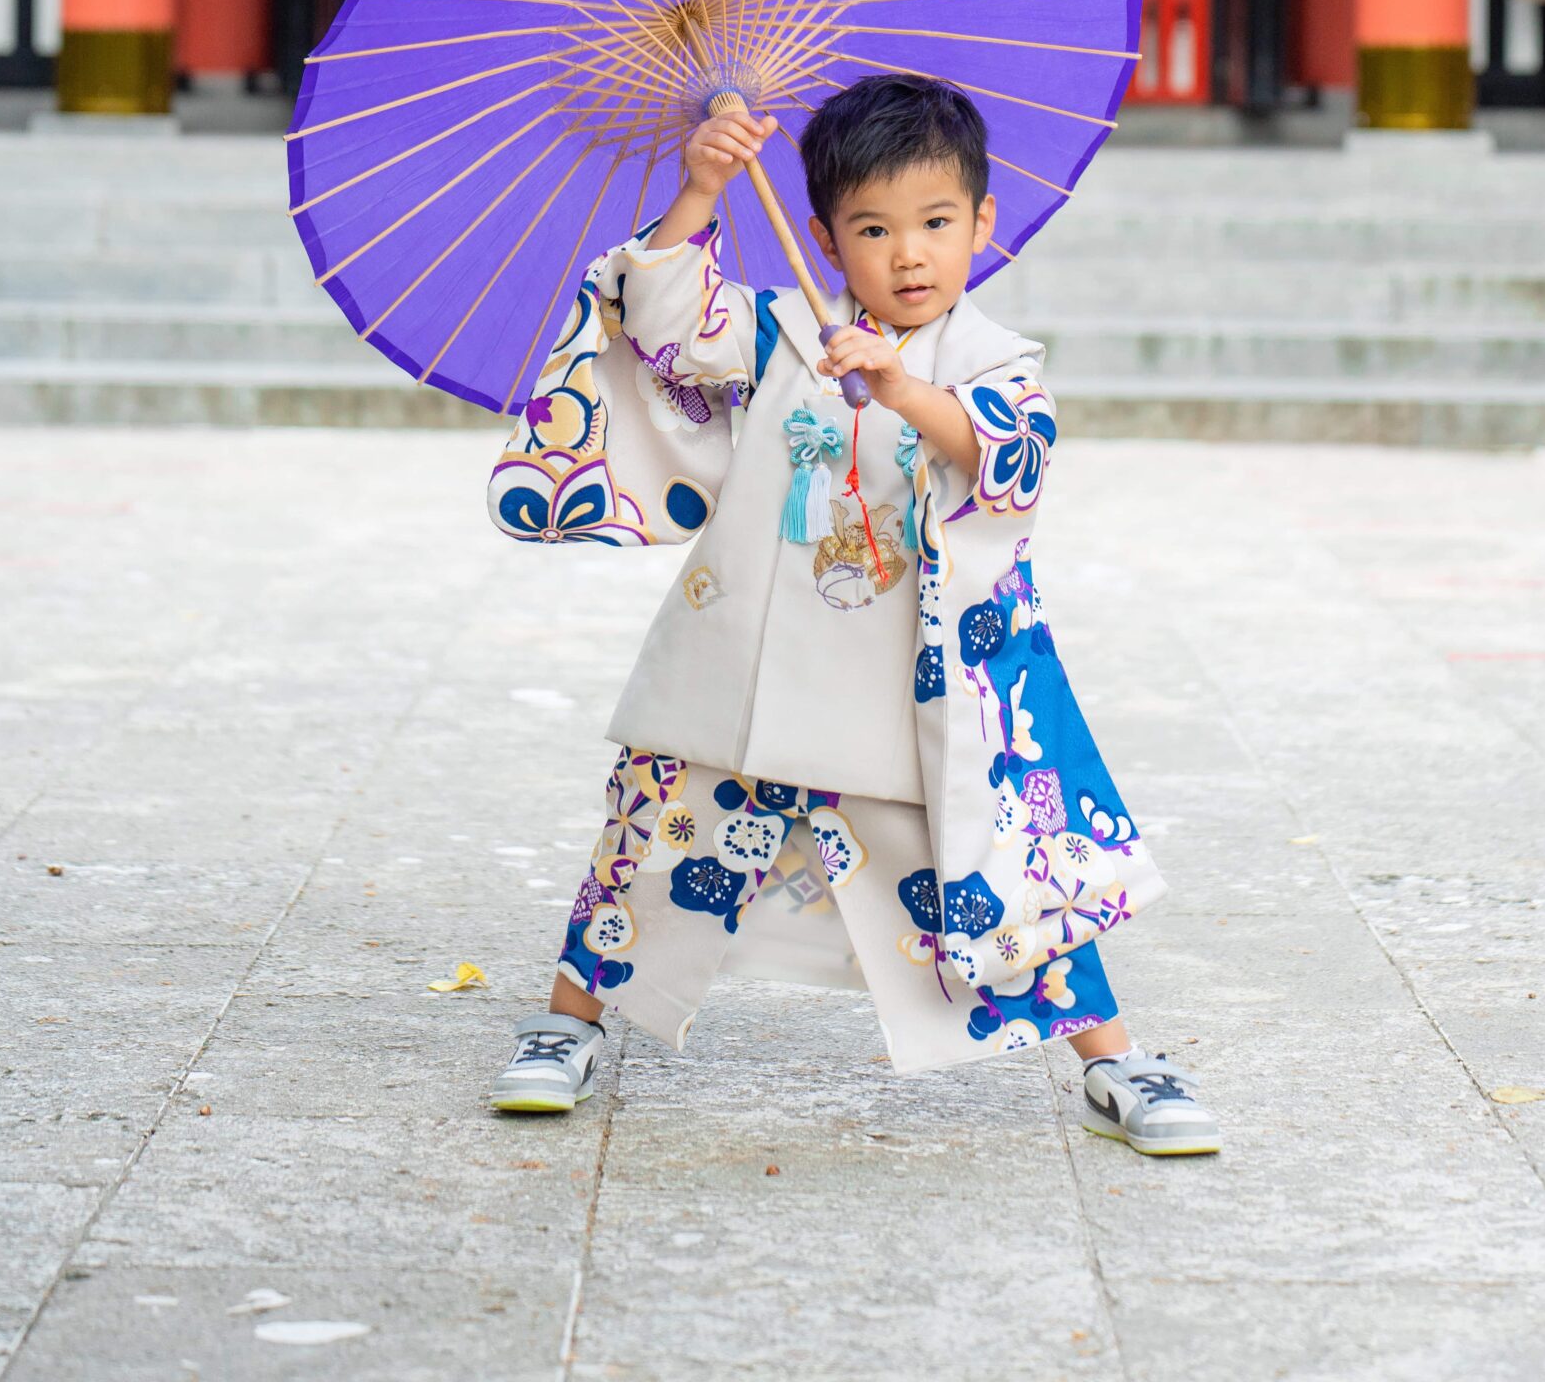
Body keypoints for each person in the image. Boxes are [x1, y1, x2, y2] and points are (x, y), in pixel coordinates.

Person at [484, 72, 1219, 1155]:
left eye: (933, 223)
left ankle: (1112, 1059)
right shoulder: (784, 333)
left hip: (909, 689)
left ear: (982, 223)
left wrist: (902, 387)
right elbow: (665, 329)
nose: (908, 254)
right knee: (647, 841)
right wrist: (700, 190)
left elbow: (1007, 458)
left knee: (999, 867)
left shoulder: (993, 363)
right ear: (826, 238)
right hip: (747, 665)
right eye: (872, 229)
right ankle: (567, 1022)